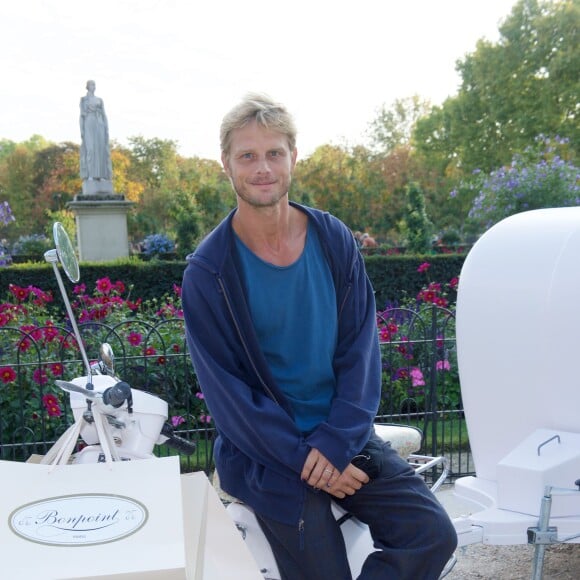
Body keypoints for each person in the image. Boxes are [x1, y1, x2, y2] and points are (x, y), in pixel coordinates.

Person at [182, 93, 457, 579]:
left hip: (344, 437)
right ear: (226, 163)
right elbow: (231, 400)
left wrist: (333, 447)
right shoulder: (210, 271)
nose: (262, 167)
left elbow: (360, 354)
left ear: (293, 157)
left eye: (274, 153)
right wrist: (307, 458)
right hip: (267, 456)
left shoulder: (333, 241)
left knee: (431, 533)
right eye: (247, 155)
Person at [79, 80, 112, 182]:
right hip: (89, 122)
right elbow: (81, 116)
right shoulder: (84, 100)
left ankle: (101, 176)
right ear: (87, 87)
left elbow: (104, 114)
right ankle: (90, 175)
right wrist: (82, 130)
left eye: (94, 85)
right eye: (91, 85)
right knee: (91, 149)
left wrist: (106, 127)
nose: (93, 86)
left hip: (99, 124)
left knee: (100, 149)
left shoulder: (99, 100)